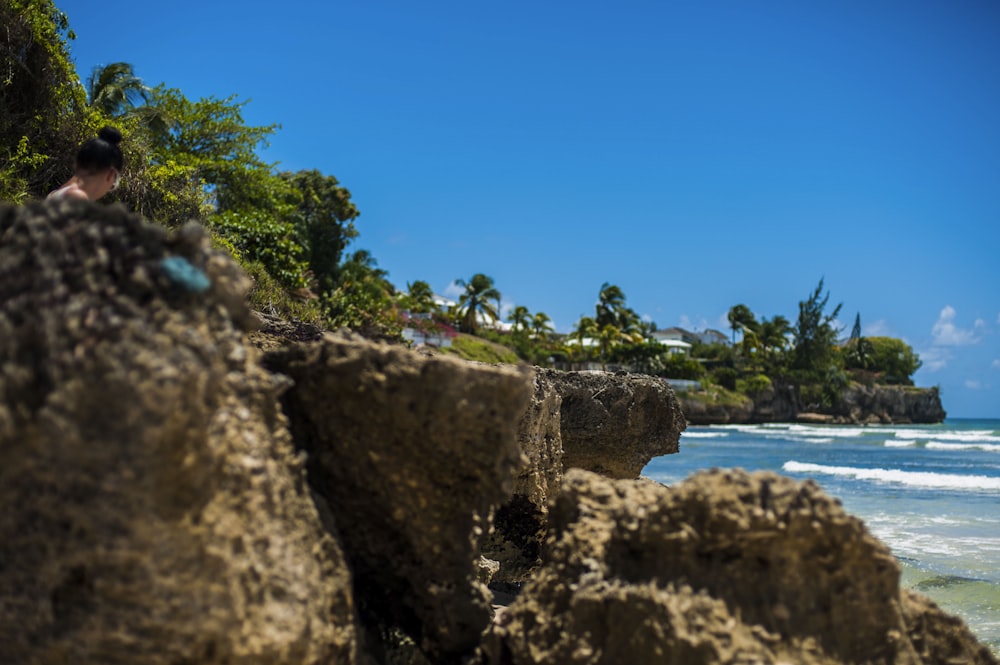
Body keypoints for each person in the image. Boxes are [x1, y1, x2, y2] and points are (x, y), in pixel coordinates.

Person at [47, 126, 124, 202]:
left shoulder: (63, 191)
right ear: (110, 175)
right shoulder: (78, 198)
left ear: (76, 163)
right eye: (112, 186)